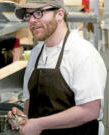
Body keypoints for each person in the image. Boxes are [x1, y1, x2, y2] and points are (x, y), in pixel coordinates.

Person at [8, 0, 107, 135]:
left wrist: (39, 124)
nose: (32, 20)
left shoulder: (82, 53)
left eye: (39, 13)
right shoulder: (36, 53)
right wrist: (23, 120)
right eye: (28, 15)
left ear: (60, 14)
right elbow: (29, 101)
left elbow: (90, 110)